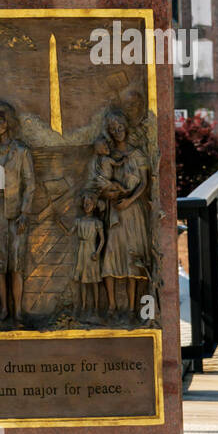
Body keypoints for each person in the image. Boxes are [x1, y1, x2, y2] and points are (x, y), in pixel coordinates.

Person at [0, 101, 35, 324]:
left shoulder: (21, 152)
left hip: (16, 212)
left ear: (9, 122)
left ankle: (18, 312)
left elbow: (30, 184)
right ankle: (3, 309)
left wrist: (25, 212)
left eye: (0, 119)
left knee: (16, 262)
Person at [100, 108, 151, 319]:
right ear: (110, 133)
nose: (118, 131)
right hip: (114, 212)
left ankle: (132, 308)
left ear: (126, 129)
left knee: (133, 257)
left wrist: (129, 200)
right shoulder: (109, 156)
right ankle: (112, 305)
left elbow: (145, 183)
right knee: (110, 256)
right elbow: (102, 183)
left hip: (133, 211)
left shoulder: (137, 154)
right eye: (114, 129)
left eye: (120, 127)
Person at [72, 191, 105, 319]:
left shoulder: (97, 222)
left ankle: (96, 308)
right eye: (85, 203)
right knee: (83, 281)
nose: (87, 206)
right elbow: (69, 233)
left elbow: (102, 239)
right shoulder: (78, 221)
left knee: (94, 281)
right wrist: (58, 221)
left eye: (89, 203)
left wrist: (97, 252)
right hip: (82, 251)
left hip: (92, 251)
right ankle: (84, 306)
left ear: (94, 205)